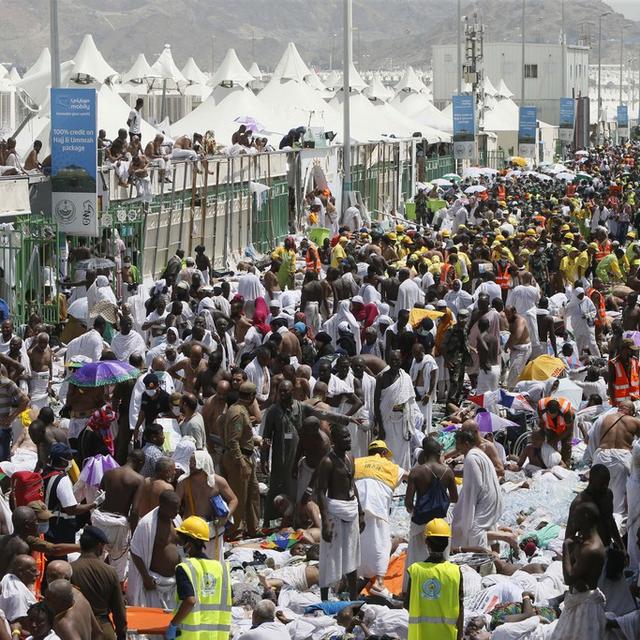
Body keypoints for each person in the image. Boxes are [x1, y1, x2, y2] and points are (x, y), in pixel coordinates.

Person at [315, 423, 365, 601]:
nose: (349, 439)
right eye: (344, 437)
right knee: (330, 557)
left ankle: (353, 598)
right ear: (335, 441)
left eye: (349, 436)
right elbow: (320, 492)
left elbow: (353, 485)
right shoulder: (327, 462)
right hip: (335, 511)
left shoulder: (350, 457)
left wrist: (360, 512)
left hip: (350, 509)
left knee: (352, 556)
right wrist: (326, 521)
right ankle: (324, 599)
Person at [165, 516, 231, 640]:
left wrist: (173, 624)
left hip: (191, 636)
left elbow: (190, 601)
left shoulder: (185, 568)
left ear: (188, 545)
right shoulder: (221, 568)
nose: (179, 544)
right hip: (217, 636)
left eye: (181, 541)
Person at [354, 440, 407, 596]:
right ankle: (379, 582)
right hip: (378, 508)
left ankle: (355, 577)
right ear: (384, 453)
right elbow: (412, 477)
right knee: (381, 544)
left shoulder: (356, 462)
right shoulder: (390, 467)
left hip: (356, 508)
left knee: (357, 544)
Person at [405, 436, 458, 588]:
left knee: (416, 556)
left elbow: (408, 502)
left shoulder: (416, 472)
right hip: (441, 522)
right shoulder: (448, 472)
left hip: (420, 521)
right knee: (441, 557)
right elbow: (454, 498)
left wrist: (416, 510)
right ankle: (440, 586)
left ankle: (413, 587)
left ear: (424, 453)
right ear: (439, 452)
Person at [550, 503, 607, 640]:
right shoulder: (585, 542)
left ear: (586, 518)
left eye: (576, 518)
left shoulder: (590, 549)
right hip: (580, 602)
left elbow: (568, 578)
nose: (573, 521)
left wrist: (565, 547)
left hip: (584, 609)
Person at [404, 519, 463, 640]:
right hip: (447, 636)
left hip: (419, 635)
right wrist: (460, 635)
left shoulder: (415, 570)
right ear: (447, 543)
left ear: (426, 542)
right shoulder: (455, 571)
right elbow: (460, 607)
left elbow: (407, 604)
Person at [92, 450, 145, 582]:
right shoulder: (138, 479)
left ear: (127, 458)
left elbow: (100, 497)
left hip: (100, 521)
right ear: (141, 463)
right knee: (118, 569)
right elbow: (134, 511)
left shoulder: (109, 473)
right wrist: (134, 535)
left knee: (94, 562)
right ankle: (116, 596)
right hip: (118, 526)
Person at [175, 451, 237, 561]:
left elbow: (233, 500)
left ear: (203, 463)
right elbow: (175, 504)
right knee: (191, 562)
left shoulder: (218, 481)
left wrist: (226, 516)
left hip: (213, 528)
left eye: (194, 462)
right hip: (191, 530)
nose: (191, 465)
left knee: (213, 561)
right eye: (190, 462)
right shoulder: (183, 482)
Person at [70, 526, 127, 640]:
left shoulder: (70, 569)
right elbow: (118, 608)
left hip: (77, 629)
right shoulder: (110, 571)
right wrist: (121, 634)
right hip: (103, 629)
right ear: (99, 546)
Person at [450, 430, 502, 550]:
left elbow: (475, 484)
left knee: (474, 531)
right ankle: (496, 555)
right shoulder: (478, 453)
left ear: (467, 444)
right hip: (489, 497)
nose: (457, 448)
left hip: (485, 499)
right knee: (488, 527)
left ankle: (480, 563)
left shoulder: (471, 458)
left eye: (459, 444)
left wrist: (467, 505)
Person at [128, 490, 181, 608]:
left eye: (178, 508)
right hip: (155, 584)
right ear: (163, 506)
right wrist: (145, 577)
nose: (177, 512)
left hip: (173, 583)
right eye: (174, 509)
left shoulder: (176, 522)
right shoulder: (147, 524)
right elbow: (135, 551)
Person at [221, 382, 260, 539]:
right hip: (239, 460)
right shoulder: (237, 412)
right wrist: (242, 463)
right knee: (239, 495)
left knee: (253, 493)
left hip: (247, 457)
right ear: (251, 397)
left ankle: (253, 527)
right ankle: (235, 530)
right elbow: (233, 441)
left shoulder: (242, 410)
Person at [374, 350, 421, 470]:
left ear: (401, 361)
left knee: (402, 450)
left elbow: (410, 403)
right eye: (392, 360)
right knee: (387, 450)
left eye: (397, 360)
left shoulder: (406, 378)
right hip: (386, 421)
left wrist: (410, 425)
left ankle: (402, 475)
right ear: (388, 361)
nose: (395, 362)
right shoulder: (381, 378)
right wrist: (380, 427)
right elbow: (376, 403)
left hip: (402, 423)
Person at [0, 554, 38, 627]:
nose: (37, 573)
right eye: (33, 571)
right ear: (20, 571)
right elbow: (19, 625)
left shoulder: (9, 577)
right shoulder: (17, 595)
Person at [538, 396, 575, 466]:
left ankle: (566, 465)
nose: (551, 416)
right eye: (549, 414)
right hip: (551, 427)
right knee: (550, 445)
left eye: (554, 415)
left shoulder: (566, 413)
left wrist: (557, 439)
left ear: (558, 410)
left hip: (565, 427)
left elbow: (569, 429)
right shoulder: (541, 406)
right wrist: (543, 433)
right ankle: (553, 464)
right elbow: (542, 421)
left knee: (566, 445)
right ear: (546, 409)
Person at [608, 337, 640, 405]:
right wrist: (613, 402)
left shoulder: (635, 361)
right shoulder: (613, 363)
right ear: (623, 349)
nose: (633, 352)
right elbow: (610, 384)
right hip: (621, 403)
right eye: (630, 350)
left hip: (635, 400)